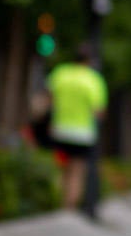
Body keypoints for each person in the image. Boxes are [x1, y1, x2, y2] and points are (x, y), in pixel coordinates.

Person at [46, 44, 108, 213]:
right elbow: (98, 112)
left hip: (60, 130)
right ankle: (68, 207)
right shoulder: (93, 79)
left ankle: (56, 202)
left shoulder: (60, 73)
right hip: (82, 134)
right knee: (77, 172)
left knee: (61, 169)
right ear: (88, 61)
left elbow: (49, 100)